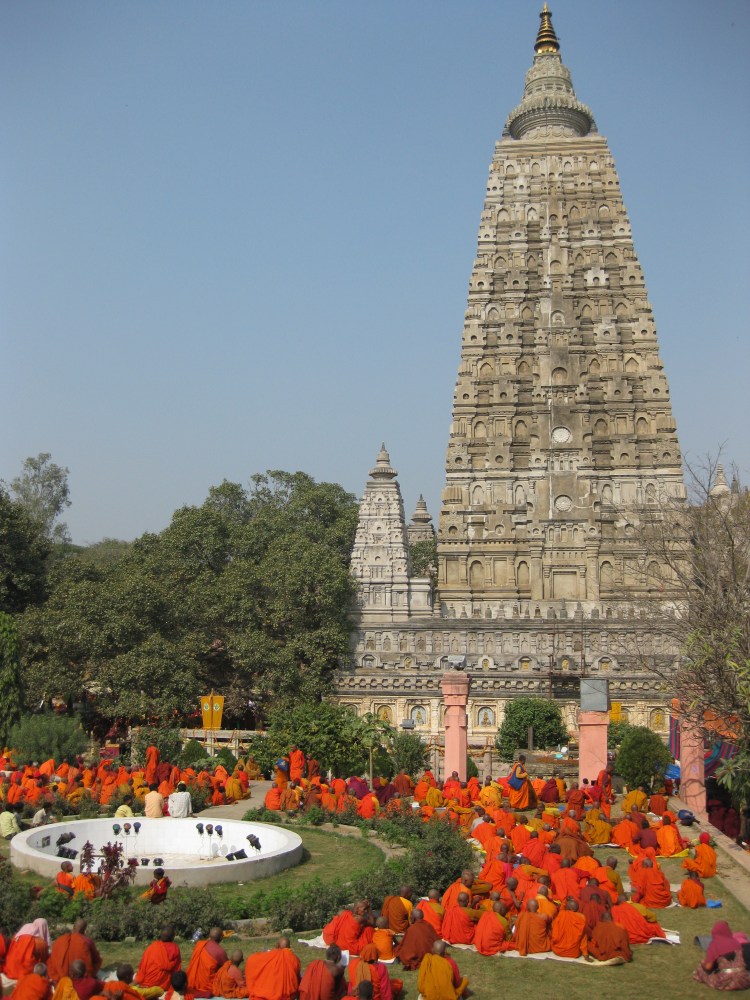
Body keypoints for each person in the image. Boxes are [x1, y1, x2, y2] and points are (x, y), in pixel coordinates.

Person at [134, 926, 182, 992]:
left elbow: (143, 967)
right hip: (165, 985)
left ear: (161, 936)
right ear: (173, 937)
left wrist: (137, 980)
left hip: (148, 983)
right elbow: (176, 970)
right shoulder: (175, 949)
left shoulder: (152, 947)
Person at [186, 928, 227, 998]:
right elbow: (227, 967)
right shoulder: (220, 952)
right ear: (221, 938)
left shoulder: (199, 944)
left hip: (192, 983)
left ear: (209, 936)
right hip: (207, 986)